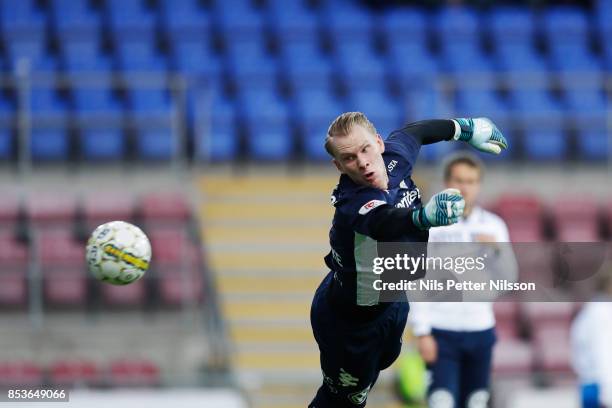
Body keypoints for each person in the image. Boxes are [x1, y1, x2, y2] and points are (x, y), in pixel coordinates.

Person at [309, 113, 508, 407]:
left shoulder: (394, 158)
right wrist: (422, 217)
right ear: (338, 166)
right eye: (349, 158)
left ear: (379, 143)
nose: (362, 162)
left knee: (383, 364)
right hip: (352, 322)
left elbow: (416, 132)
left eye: (365, 149)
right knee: (344, 401)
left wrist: (465, 129)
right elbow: (382, 221)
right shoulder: (353, 203)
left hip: (393, 300)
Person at [406, 153, 517, 408]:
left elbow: (509, 280)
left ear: (478, 185)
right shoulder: (429, 226)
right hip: (441, 330)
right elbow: (414, 280)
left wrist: (499, 251)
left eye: (471, 181)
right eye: (458, 180)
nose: (464, 187)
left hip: (481, 330)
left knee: (477, 401)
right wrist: (422, 331)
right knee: (441, 400)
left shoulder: (494, 226)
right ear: (447, 183)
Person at [571, 268, 612, 408]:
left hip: (595, 387)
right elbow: (604, 357)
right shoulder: (601, 315)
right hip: (600, 390)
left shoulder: (593, 311)